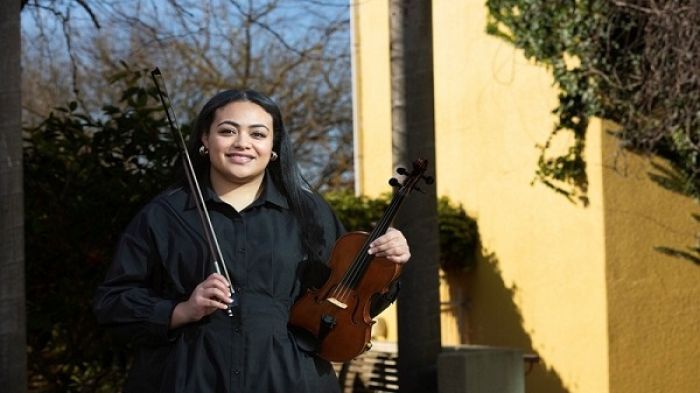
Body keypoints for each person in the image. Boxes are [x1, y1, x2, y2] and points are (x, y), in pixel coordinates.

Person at [93, 89, 410, 393]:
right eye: (228, 131)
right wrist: (182, 310)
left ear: (274, 147)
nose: (242, 143)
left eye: (257, 134)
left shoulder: (311, 213)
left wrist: (385, 265)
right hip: (187, 378)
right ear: (205, 139)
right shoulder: (164, 214)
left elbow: (350, 303)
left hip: (290, 380)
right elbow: (112, 302)